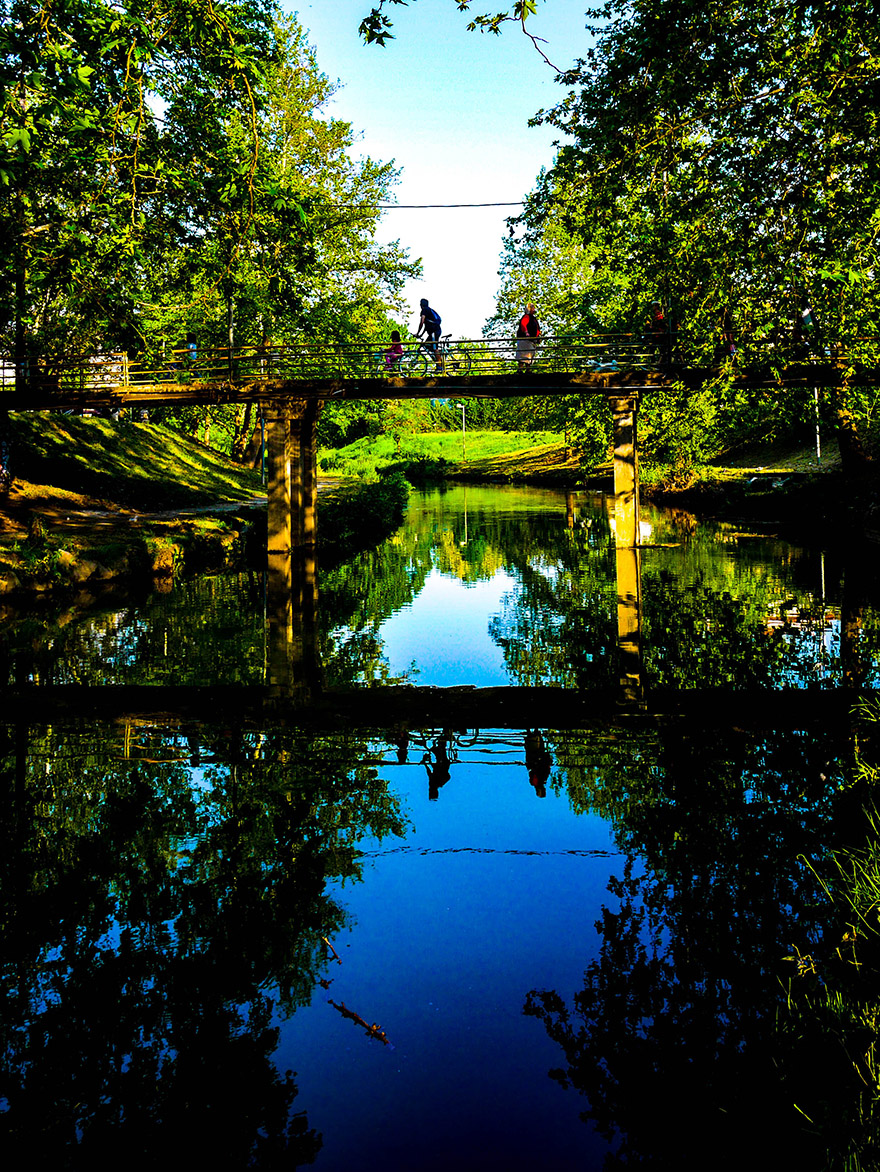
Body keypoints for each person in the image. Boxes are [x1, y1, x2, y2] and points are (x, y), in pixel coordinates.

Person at [416, 298, 442, 366]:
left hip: (434, 332)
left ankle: (440, 365)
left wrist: (417, 333)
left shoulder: (424, 310)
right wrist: (421, 334)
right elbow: (426, 326)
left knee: (435, 348)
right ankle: (439, 358)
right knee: (427, 345)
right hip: (435, 331)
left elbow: (422, 322)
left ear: (421, 305)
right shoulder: (429, 310)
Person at [516, 303, 540, 372]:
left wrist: (538, 337)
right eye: (533, 308)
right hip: (524, 339)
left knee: (529, 355)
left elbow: (537, 329)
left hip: (531, 340)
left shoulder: (533, 319)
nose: (534, 309)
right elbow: (523, 324)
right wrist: (526, 332)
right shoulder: (527, 317)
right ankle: (521, 369)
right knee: (523, 355)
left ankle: (528, 369)